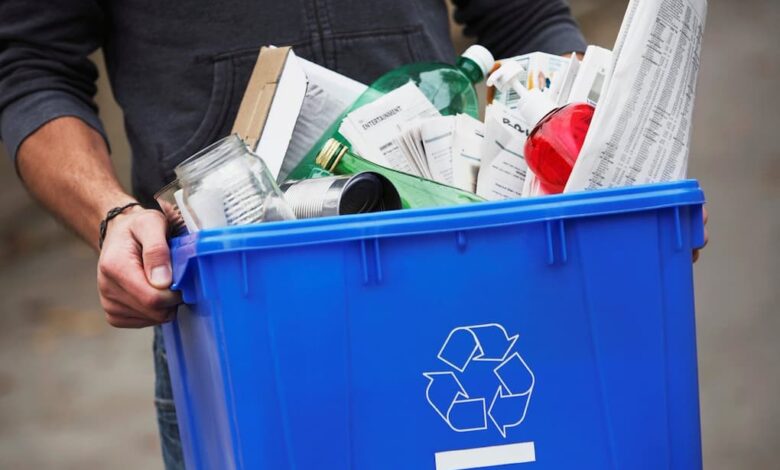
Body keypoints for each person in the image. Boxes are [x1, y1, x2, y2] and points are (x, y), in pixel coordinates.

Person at [0, 1, 706, 467]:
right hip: (245, 323)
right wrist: (113, 214)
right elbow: (29, 68)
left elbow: (524, 16)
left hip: (456, 280)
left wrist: (618, 174)